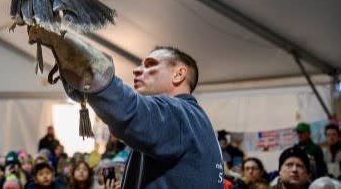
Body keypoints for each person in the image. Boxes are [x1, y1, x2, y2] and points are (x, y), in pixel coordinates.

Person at [29, 27, 224, 188]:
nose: (137, 70)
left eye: (150, 65)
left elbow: (127, 109)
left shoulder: (179, 114)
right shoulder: (194, 121)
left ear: (179, 74)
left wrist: (64, 41)